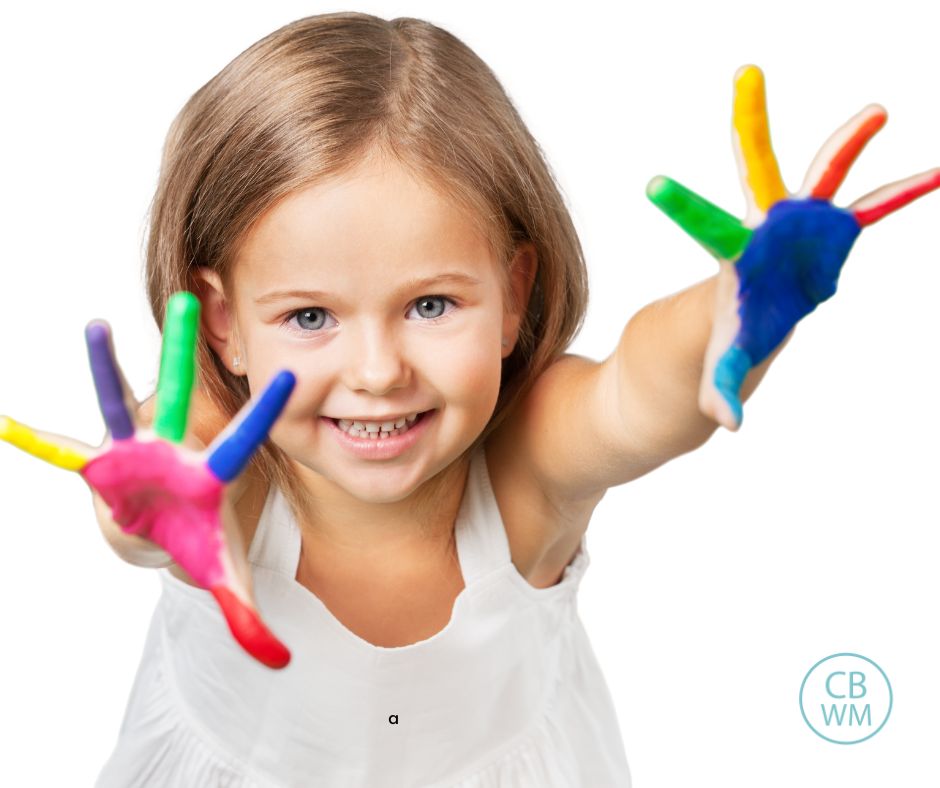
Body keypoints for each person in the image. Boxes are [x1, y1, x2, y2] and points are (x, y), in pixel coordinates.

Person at [2, 10, 936, 788]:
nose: (376, 370)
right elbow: (157, 518)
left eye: (431, 304)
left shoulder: (526, 471)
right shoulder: (227, 471)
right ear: (223, 324)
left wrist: (730, 309)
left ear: (514, 295)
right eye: (310, 316)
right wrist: (138, 517)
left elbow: (631, 395)